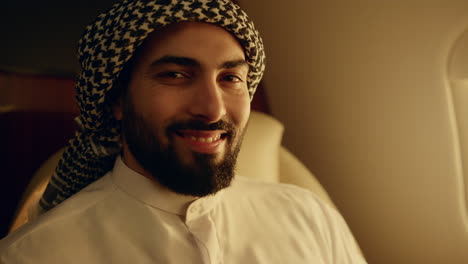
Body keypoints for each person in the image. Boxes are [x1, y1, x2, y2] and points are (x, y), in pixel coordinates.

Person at [0, 0, 367, 263]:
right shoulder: (37, 253)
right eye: (175, 75)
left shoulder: (308, 216)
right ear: (116, 101)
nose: (213, 109)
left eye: (230, 78)